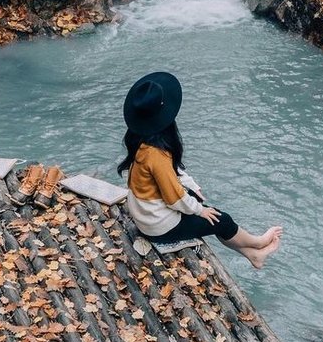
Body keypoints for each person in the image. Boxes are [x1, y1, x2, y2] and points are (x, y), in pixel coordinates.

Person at [119, 71, 281, 269]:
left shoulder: (142, 140)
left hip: (147, 213)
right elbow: (174, 198)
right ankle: (258, 243)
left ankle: (253, 255)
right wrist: (200, 210)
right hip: (157, 225)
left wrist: (192, 186)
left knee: (209, 213)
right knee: (221, 220)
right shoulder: (157, 154)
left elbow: (171, 172)